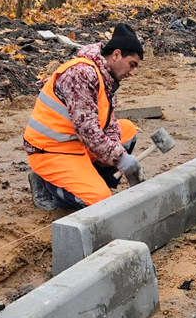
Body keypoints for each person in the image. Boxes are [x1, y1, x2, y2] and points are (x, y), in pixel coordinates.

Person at [23, 24, 145, 210]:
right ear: (116, 54)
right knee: (99, 199)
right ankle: (48, 184)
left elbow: (110, 124)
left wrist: (119, 153)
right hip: (51, 149)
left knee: (127, 129)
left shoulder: (107, 77)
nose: (133, 72)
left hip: (76, 143)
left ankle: (85, 178)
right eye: (132, 65)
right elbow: (87, 130)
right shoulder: (81, 74)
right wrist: (120, 158)